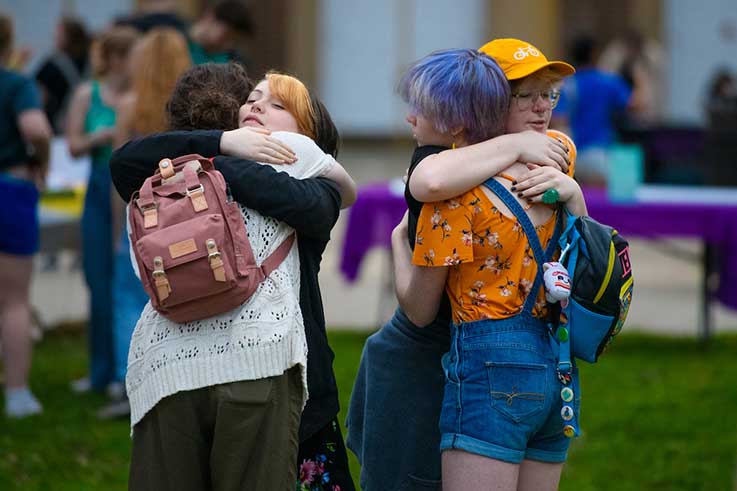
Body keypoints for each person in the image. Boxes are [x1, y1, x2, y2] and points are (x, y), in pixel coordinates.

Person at [346, 38, 575, 491]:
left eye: (546, 94)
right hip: (551, 363)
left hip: (465, 363)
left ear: (463, 113)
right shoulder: (551, 158)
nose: (541, 107)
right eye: (526, 95)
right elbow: (428, 176)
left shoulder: (453, 194)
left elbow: (419, 307)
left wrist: (397, 242)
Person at [114, 64, 356, 490]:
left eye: (278, 104)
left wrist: (215, 160)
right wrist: (223, 144)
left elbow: (320, 200)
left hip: (277, 374)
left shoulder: (314, 188)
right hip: (173, 372)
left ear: (307, 135)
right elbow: (123, 162)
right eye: (252, 99)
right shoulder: (194, 167)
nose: (258, 104)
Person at [96, 27, 192, 420]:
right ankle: (173, 376)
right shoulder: (184, 109)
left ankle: (126, 381)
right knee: (174, 293)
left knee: (127, 297)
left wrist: (121, 226)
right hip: (180, 215)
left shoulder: (130, 106)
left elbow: (116, 171)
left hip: (137, 213)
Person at [65, 25, 138, 393]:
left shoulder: (140, 98)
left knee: (129, 281)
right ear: (111, 59)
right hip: (97, 188)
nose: (132, 66)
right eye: (126, 58)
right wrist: (101, 136)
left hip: (130, 191)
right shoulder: (86, 94)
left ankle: (123, 373)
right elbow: (72, 145)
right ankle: (99, 371)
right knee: (99, 280)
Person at [0, 13, 52, 418]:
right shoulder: (16, 85)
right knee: (14, 302)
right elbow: (36, 130)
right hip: (11, 190)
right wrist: (43, 165)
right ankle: (17, 394)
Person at [553, 35, 631, 185]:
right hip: (601, 154)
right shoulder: (608, 81)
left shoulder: (567, 83)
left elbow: (558, 119)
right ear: (595, 54)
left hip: (572, 155)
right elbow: (636, 105)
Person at [34, 17, 90, 134]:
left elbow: (39, 97)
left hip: (56, 126)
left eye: (58, 33)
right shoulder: (91, 62)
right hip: (87, 127)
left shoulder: (51, 65)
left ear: (68, 37)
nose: (54, 36)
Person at [187, 0, 253, 66]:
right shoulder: (180, 39)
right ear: (210, 17)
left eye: (236, 42)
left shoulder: (230, 62)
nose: (229, 45)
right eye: (226, 36)